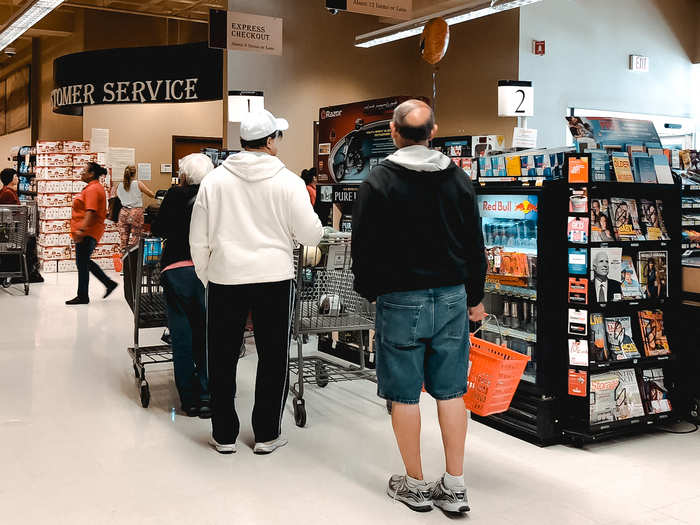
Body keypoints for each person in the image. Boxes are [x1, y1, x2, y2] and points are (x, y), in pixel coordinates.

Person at [352, 99, 487, 515]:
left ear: (394, 132)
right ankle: (456, 484)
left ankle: (414, 483)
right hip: (451, 297)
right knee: (451, 391)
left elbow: (364, 250)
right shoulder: (459, 180)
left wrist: (373, 292)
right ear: (434, 131)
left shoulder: (377, 182)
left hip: (400, 299)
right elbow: (474, 246)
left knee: (405, 394)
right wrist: (475, 297)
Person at [190, 109, 323, 456]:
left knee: (220, 356)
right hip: (275, 279)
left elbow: (197, 240)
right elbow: (311, 233)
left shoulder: (214, 182)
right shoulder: (289, 182)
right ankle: (266, 433)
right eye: (277, 136)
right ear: (268, 141)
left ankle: (224, 435)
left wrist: (208, 276)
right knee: (273, 356)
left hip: (224, 278)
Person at [152, 154, 214, 418]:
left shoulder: (174, 196)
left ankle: (188, 400)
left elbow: (158, 229)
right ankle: (207, 394)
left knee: (182, 335)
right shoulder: (215, 195)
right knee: (208, 334)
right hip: (207, 271)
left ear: (184, 175)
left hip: (176, 269)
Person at [66, 162, 118, 305]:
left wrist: (81, 229)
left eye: (84, 170)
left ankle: (83, 295)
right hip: (89, 230)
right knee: (83, 262)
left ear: (91, 174)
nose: (81, 172)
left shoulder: (93, 189)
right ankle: (108, 284)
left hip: (88, 231)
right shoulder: (92, 188)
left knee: (82, 262)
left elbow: (91, 211)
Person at [116, 165, 155, 255]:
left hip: (123, 212)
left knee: (123, 238)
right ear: (134, 173)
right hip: (135, 213)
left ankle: (124, 262)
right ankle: (133, 261)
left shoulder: (120, 185)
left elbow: (116, 196)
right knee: (135, 237)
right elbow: (151, 194)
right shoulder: (138, 184)